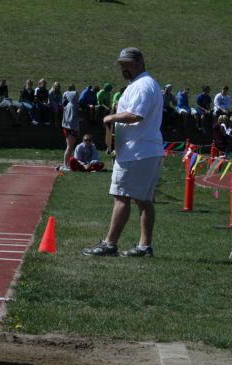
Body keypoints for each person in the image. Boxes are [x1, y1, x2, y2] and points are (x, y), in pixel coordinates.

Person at [82, 47, 163, 258]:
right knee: (144, 200)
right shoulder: (141, 84)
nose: (123, 68)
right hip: (142, 150)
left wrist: (111, 118)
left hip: (137, 152)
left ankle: (110, 244)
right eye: (121, 64)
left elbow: (136, 115)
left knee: (121, 196)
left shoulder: (143, 85)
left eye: (127, 64)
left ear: (140, 63)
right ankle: (144, 247)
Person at [59, 83, 80, 171]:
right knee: (69, 147)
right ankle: (65, 165)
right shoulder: (71, 105)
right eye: (76, 96)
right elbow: (71, 118)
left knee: (70, 147)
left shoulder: (69, 105)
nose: (77, 97)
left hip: (71, 128)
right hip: (70, 128)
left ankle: (67, 164)